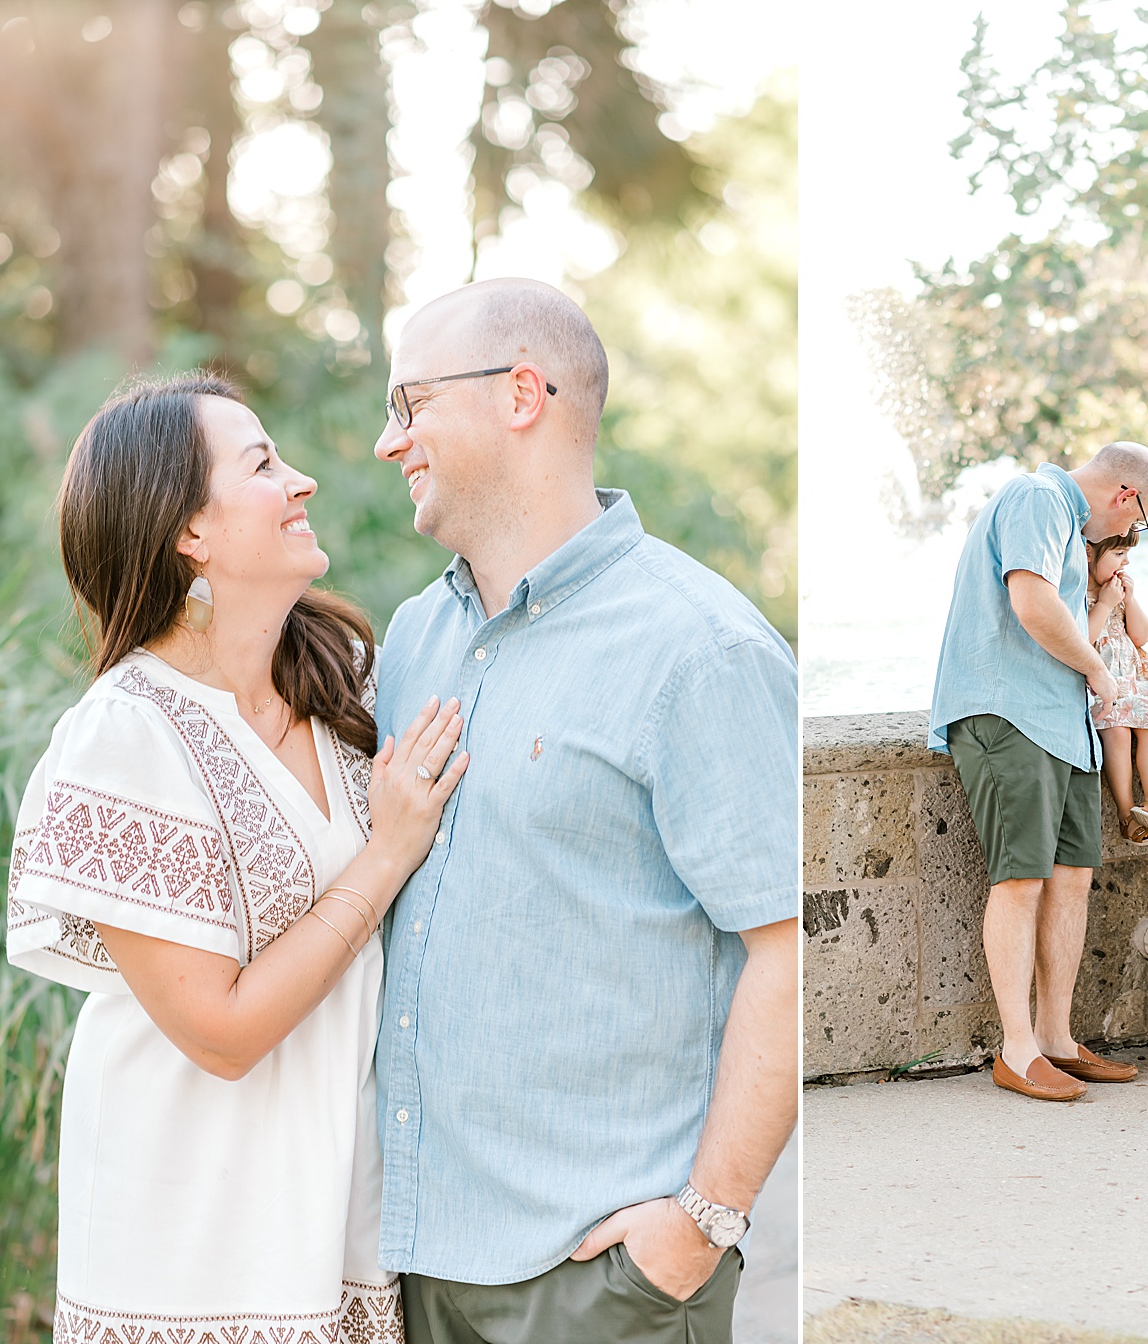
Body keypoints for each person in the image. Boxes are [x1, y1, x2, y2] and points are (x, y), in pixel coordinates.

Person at [369, 278, 798, 1343]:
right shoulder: (414, 638)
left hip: (604, 1288)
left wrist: (696, 1229)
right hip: (417, 1274)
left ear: (522, 394)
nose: (390, 442)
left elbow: (788, 956)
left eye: (410, 403)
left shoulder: (701, 650)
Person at [7, 374, 468, 1339]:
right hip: (188, 1238)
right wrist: (383, 859)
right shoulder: (123, 737)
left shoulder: (344, 688)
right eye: (262, 464)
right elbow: (219, 1034)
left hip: (335, 1208)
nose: (301, 482)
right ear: (189, 532)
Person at [928, 442, 1148, 1102]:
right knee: (1021, 880)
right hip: (1011, 712)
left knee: (1070, 878)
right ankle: (1018, 1049)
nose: (1128, 537)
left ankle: (1057, 1039)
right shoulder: (1036, 498)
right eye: (1137, 524)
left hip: (1063, 726)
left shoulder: (1060, 520)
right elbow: (1031, 604)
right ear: (1126, 496)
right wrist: (1097, 667)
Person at [1086, 531, 1148, 847]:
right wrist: (1104, 604)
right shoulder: (1078, 593)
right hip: (1103, 681)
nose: (1126, 561)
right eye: (1118, 553)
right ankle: (1126, 814)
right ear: (1089, 553)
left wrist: (1130, 600)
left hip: (1135, 679)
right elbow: (1081, 641)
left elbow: (1140, 636)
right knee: (1117, 730)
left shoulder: (1120, 591)